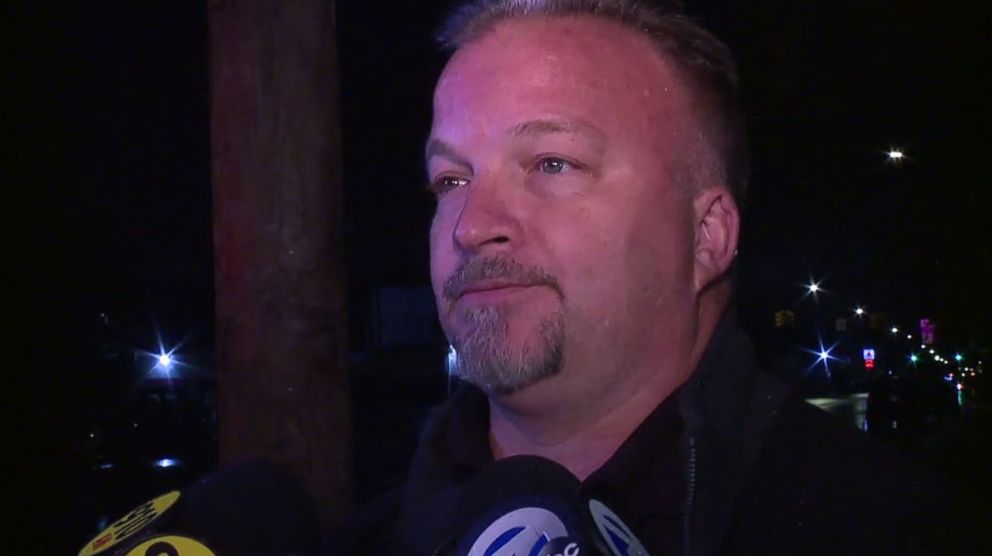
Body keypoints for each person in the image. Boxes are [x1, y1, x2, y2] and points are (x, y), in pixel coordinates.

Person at [328, 1, 964, 554]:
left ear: (707, 235)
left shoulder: (895, 530)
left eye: (552, 163)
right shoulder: (361, 541)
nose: (471, 225)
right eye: (452, 180)